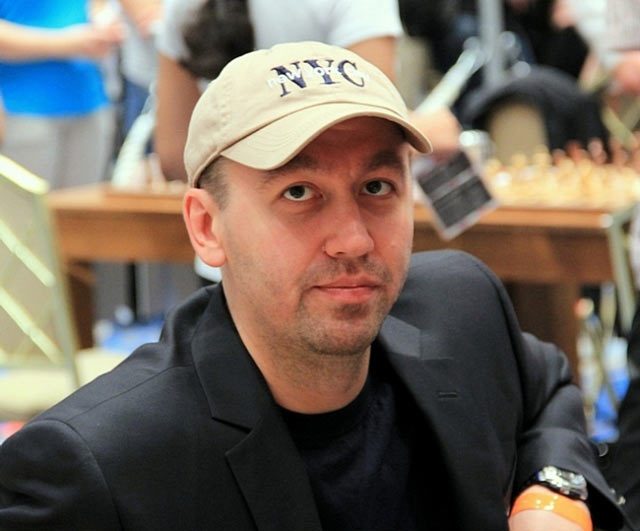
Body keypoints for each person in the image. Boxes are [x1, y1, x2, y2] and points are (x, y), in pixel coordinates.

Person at [0, 41, 627, 530]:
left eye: (377, 188)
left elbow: (544, 390)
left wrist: (554, 495)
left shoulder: (461, 305)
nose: (352, 239)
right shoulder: (98, 467)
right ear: (207, 227)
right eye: (299, 192)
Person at [154, 0, 461, 183]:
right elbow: (370, 131)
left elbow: (175, 154)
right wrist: (425, 130)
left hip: (229, 246)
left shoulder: (183, 6)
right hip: (336, 241)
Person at [0, 1, 123, 189]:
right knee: (29, 204)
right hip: (23, 108)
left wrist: (103, 20)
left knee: (81, 204)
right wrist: (66, 43)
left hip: (89, 100)